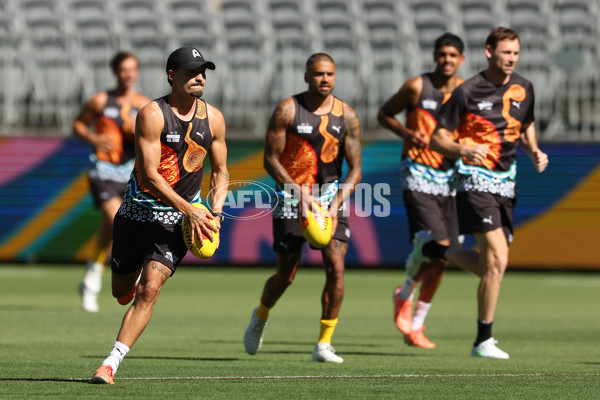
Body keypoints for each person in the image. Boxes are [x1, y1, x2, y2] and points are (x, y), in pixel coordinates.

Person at [407, 27, 549, 359]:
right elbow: (438, 138)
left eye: (516, 52)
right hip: (473, 180)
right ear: (489, 52)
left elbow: (524, 125)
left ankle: (432, 249)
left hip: (506, 181)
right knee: (498, 259)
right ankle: (482, 341)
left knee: (490, 265)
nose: (512, 58)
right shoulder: (468, 91)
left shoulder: (524, 87)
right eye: (505, 52)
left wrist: (534, 151)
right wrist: (461, 149)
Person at [91, 47, 229, 384]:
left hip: (176, 224)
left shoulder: (214, 118)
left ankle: (110, 364)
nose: (200, 77)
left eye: (203, 71)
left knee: (149, 290)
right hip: (136, 216)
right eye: (191, 71)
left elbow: (222, 172)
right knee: (121, 292)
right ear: (172, 76)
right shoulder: (152, 114)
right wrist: (190, 210)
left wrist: (214, 212)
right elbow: (151, 176)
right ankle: (129, 280)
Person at [243, 53, 363, 363]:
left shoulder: (347, 116)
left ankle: (324, 344)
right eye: (319, 74)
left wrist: (335, 204)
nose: (325, 79)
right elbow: (270, 159)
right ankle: (261, 315)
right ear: (307, 76)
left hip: (330, 197)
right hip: (291, 197)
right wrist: (299, 194)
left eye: (330, 74)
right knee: (287, 273)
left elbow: (355, 170)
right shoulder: (287, 110)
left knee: (336, 267)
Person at [378, 33, 466, 349]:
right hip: (417, 174)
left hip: (451, 179)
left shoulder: (467, 93)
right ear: (435, 56)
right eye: (442, 54)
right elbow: (384, 113)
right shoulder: (417, 86)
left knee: (445, 257)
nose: (447, 60)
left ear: (462, 60)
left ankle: (415, 322)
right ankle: (405, 292)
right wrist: (405, 131)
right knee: (440, 244)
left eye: (453, 55)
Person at [74, 52, 151, 313]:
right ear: (116, 72)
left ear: (137, 72)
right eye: (123, 69)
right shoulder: (100, 100)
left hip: (130, 174)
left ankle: (90, 278)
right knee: (115, 216)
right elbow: (78, 125)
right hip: (103, 171)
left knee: (115, 226)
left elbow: (156, 140)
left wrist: (137, 131)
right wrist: (94, 140)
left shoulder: (145, 105)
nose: (128, 74)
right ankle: (97, 280)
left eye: (132, 69)